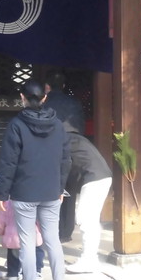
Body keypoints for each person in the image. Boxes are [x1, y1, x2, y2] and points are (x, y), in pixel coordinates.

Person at [0, 79, 71, 280]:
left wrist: (1, 193)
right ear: (45, 98)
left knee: (27, 242)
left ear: (22, 97)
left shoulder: (17, 124)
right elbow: (66, 159)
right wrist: (60, 187)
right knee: (52, 240)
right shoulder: (58, 124)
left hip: (24, 191)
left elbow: (8, 162)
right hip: (51, 190)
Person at [44, 72, 84, 243]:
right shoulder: (74, 103)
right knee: (69, 189)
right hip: (73, 147)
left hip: (51, 150)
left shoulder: (45, 104)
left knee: (51, 190)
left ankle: (51, 228)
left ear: (47, 87)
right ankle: (66, 231)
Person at [64, 129, 112, 274]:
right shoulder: (75, 138)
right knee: (90, 219)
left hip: (94, 179)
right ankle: (91, 258)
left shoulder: (64, 139)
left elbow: (63, 165)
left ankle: (89, 260)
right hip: (101, 177)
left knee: (86, 219)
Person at [0, 200, 46, 280]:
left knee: (13, 260)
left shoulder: (7, 203)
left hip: (12, 237)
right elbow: (39, 220)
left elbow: (1, 219)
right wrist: (39, 231)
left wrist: (1, 231)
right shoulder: (34, 201)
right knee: (28, 260)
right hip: (30, 236)